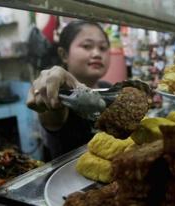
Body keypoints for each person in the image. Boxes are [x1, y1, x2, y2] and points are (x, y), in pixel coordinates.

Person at [26, 20, 111, 161]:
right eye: (87, 46)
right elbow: (52, 113)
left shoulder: (108, 88)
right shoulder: (63, 97)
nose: (97, 53)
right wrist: (49, 93)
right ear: (64, 54)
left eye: (103, 48)